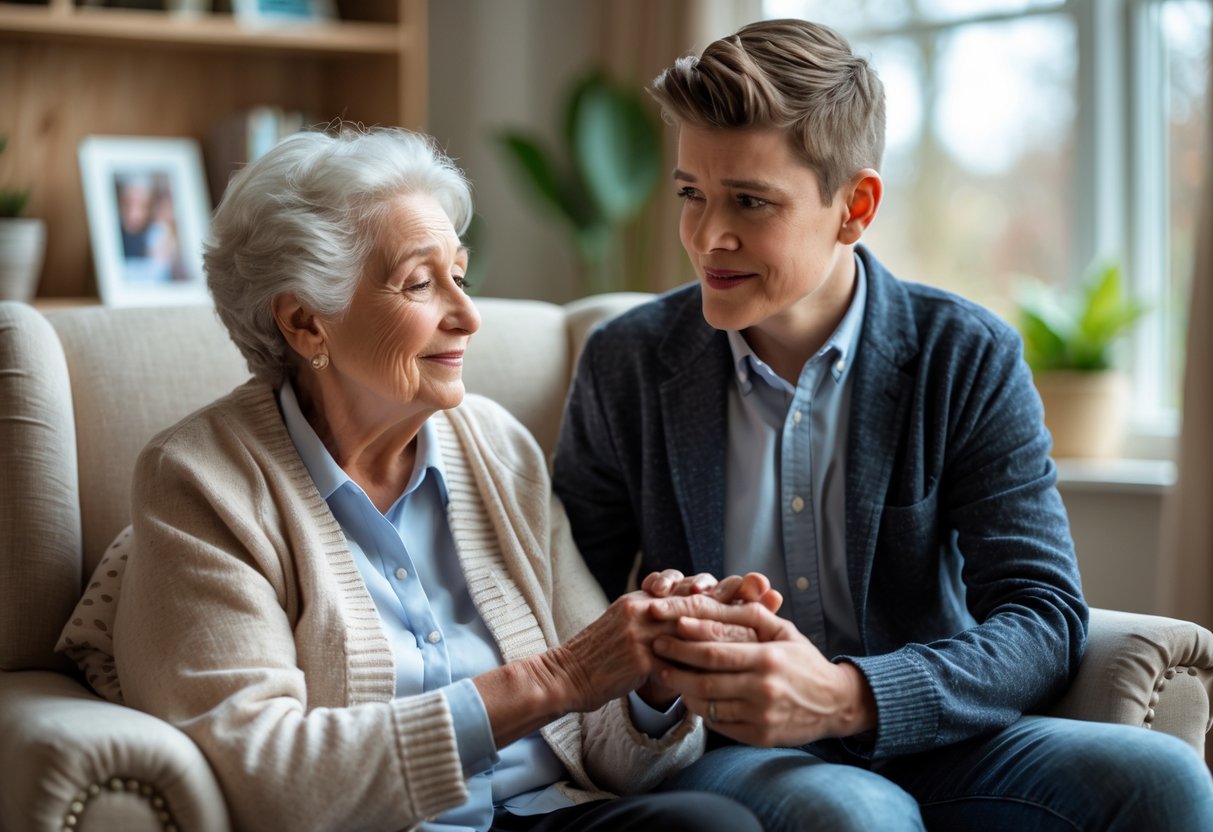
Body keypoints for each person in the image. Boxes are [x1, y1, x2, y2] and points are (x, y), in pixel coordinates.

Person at [552, 18, 1213, 831]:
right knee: (853, 814)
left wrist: (846, 696)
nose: (706, 237)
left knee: (1162, 779)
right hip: (734, 752)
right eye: (691, 193)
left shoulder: (963, 355)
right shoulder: (628, 364)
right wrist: (656, 645)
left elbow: (1041, 613)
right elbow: (561, 605)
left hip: (932, 733)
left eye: (750, 201)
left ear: (854, 207)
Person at [56, 126, 764, 832]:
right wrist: (556, 680)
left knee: (709, 823)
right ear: (305, 322)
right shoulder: (202, 480)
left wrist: (651, 676)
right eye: (420, 283)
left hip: (544, 814)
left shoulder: (498, 449)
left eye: (459, 273)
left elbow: (614, 758)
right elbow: (262, 776)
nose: (466, 314)